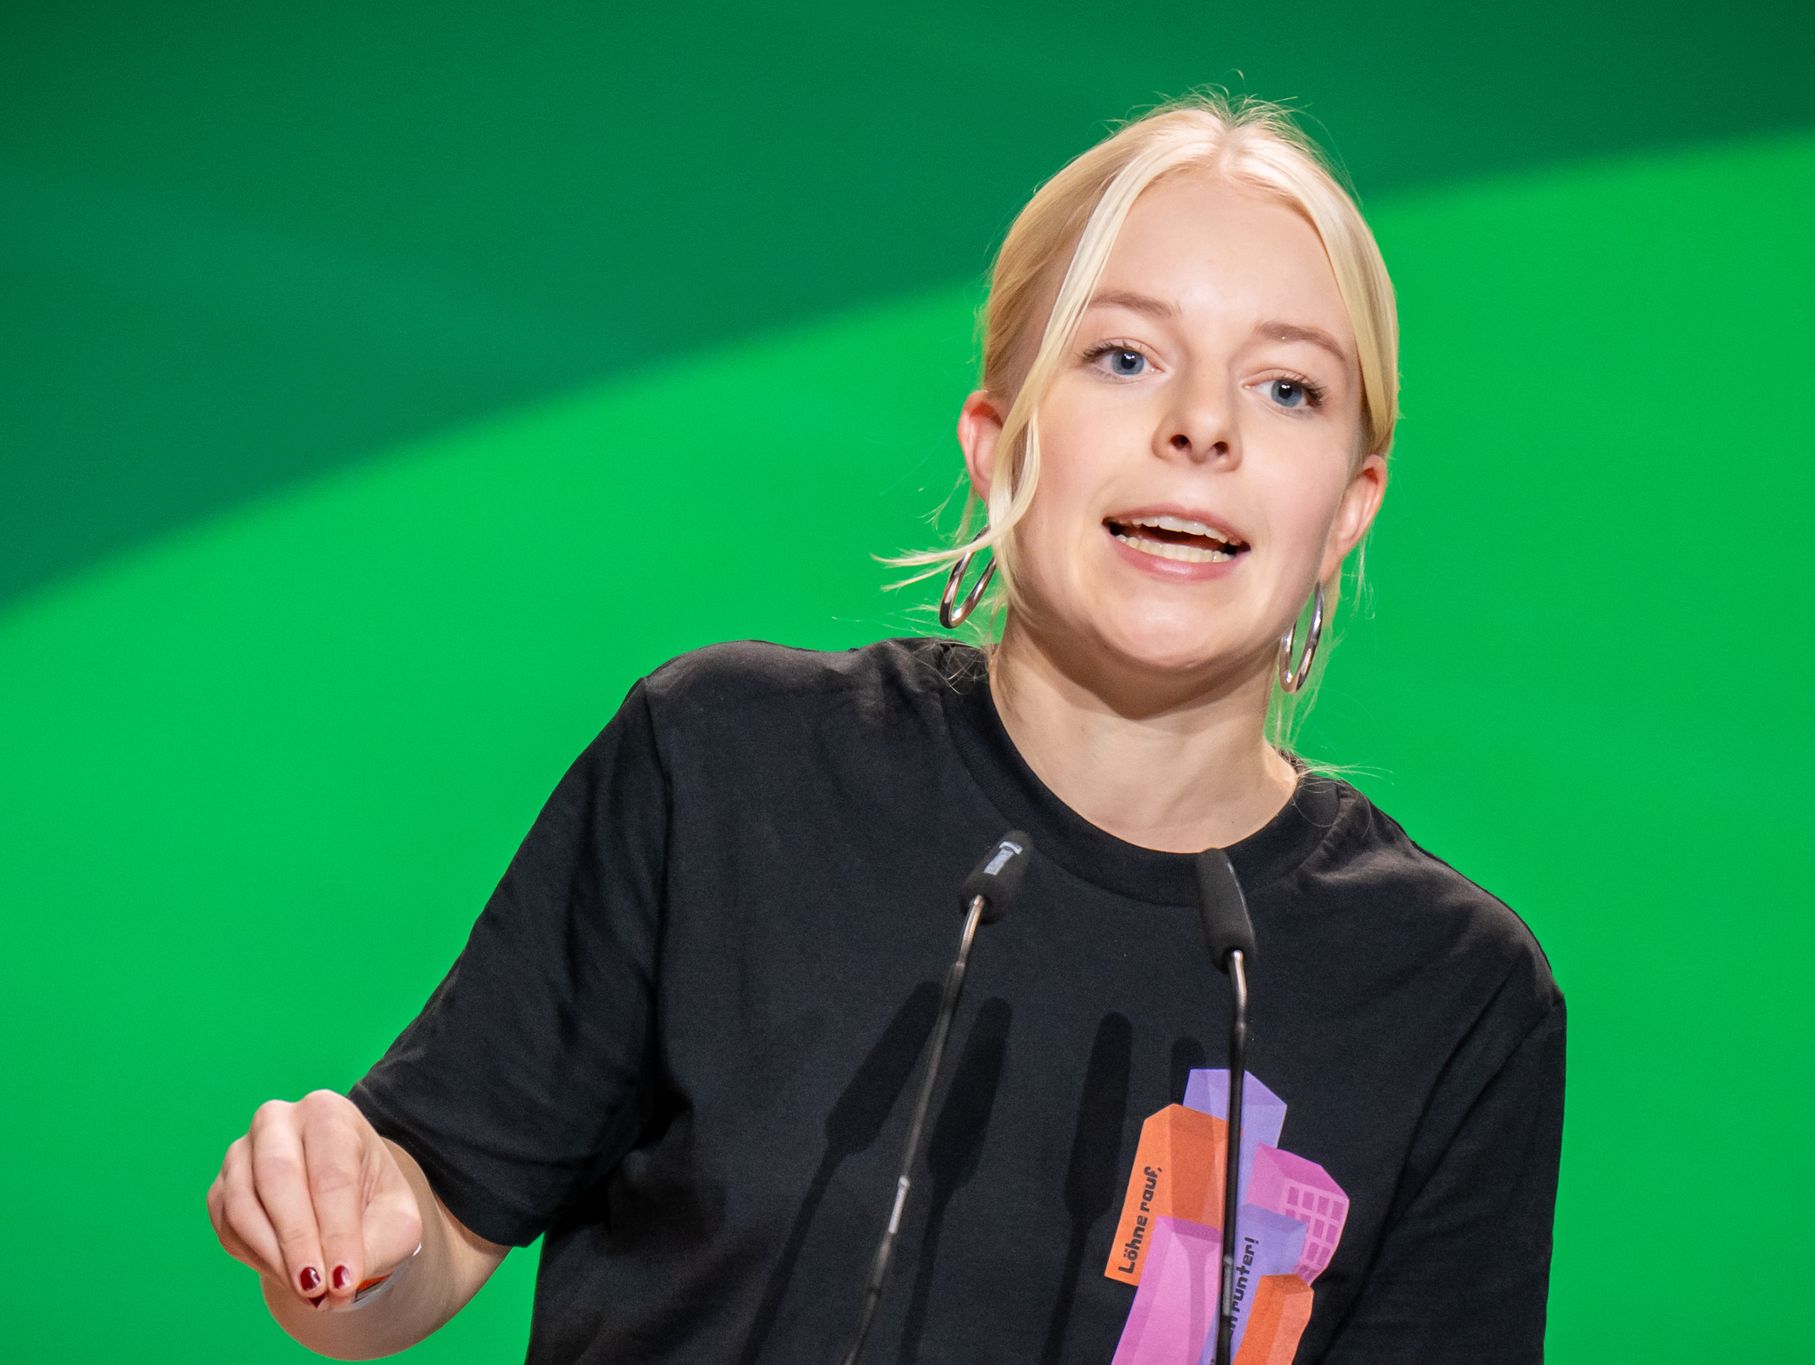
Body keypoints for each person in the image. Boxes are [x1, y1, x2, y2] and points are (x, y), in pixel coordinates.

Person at [206, 90, 1565, 1364]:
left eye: (1286, 387)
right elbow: (427, 1229)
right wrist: (342, 1233)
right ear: (999, 441)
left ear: (1349, 505)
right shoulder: (726, 764)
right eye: (1124, 354)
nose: (1201, 424)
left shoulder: (1454, 997)